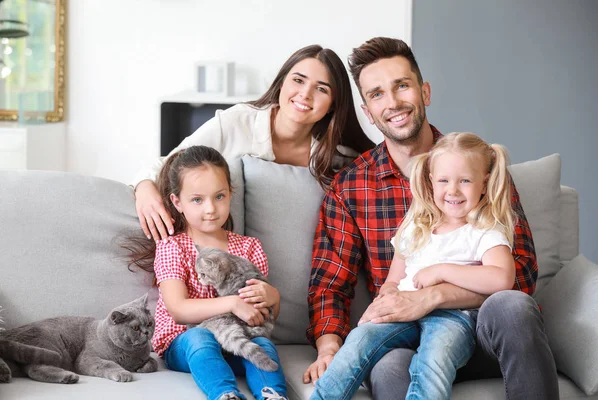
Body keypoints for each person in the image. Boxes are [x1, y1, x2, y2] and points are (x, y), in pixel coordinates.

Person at [305, 37, 558, 400]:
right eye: (377, 94)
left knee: (514, 306)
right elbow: (330, 284)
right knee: (391, 368)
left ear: (424, 92)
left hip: (479, 329)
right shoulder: (351, 187)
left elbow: (521, 275)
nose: (392, 103)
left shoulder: (477, 168)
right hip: (404, 334)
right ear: (367, 110)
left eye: (402, 86)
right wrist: (330, 350)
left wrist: (435, 295)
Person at [310, 132, 517, 400]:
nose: (452, 190)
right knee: (359, 341)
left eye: (465, 180)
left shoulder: (485, 230)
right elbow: (393, 280)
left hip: (453, 317)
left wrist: (442, 271)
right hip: (404, 310)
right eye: (444, 180)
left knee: (433, 360)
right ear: (431, 181)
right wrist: (383, 302)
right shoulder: (416, 227)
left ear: (484, 183)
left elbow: (501, 279)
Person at [132, 44, 374, 242]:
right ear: (282, 83)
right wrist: (144, 188)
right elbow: (168, 164)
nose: (305, 94)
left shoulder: (339, 155)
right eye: (298, 80)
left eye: (321, 89)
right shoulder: (236, 121)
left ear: (333, 103)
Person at [129, 145, 287, 400]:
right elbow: (178, 309)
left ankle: (273, 396)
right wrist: (232, 303)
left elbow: (262, 317)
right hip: (185, 343)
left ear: (230, 194)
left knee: (264, 345)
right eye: (197, 200)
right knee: (201, 338)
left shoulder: (249, 247)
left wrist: (273, 299)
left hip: (237, 340)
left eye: (219, 196)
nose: (211, 208)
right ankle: (225, 394)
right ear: (177, 202)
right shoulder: (174, 246)